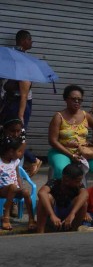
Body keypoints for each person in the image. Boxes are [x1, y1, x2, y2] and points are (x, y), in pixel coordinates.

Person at [0, 29, 40, 174]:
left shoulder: (11, 58)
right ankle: (30, 160)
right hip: (15, 103)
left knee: (18, 133)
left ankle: (29, 161)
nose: (31, 43)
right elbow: (23, 94)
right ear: (23, 41)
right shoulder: (22, 60)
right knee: (11, 133)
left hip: (18, 103)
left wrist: (21, 115)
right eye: (30, 40)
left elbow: (23, 94)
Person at [47, 84, 93, 179]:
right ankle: (59, 191)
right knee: (62, 169)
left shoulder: (85, 115)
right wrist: (71, 155)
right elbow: (53, 141)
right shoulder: (58, 117)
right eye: (73, 99)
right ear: (66, 99)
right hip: (62, 151)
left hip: (84, 151)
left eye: (80, 99)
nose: (77, 101)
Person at [36, 162, 90, 233]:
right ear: (66, 179)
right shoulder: (54, 182)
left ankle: (74, 230)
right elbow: (41, 193)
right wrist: (52, 215)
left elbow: (85, 194)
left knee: (83, 203)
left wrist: (72, 214)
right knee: (45, 198)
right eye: (77, 181)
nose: (80, 183)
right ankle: (40, 231)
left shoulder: (78, 185)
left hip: (70, 213)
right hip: (53, 213)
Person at [0, 134, 35, 231]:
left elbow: (18, 176)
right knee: (12, 187)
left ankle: (31, 219)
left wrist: (21, 187)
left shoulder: (15, 162)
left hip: (14, 190)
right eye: (19, 151)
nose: (21, 154)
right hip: (2, 190)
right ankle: (6, 217)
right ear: (11, 152)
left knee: (26, 192)